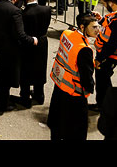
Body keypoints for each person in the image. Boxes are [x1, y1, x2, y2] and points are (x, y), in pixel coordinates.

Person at [0, 0, 37, 112]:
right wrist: (32, 40)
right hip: (7, 49)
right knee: (4, 78)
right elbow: (20, 34)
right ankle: (2, 104)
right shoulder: (15, 11)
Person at [47, 13, 99, 141]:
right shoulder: (84, 49)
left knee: (57, 125)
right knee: (76, 130)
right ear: (82, 27)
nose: (98, 30)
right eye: (94, 27)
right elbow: (86, 76)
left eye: (98, 26)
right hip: (74, 93)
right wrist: (90, 88)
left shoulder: (66, 34)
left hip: (60, 86)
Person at [17, 0, 51, 107]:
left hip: (28, 43)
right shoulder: (46, 9)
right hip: (42, 41)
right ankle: (39, 95)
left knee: (25, 69)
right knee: (40, 67)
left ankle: (25, 97)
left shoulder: (24, 13)